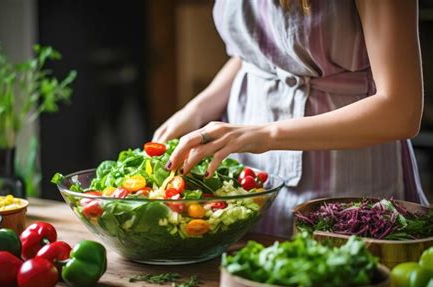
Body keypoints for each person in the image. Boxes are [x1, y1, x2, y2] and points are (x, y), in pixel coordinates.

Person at [152, 0, 428, 237]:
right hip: (250, 162)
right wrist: (197, 109)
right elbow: (260, 51)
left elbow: (401, 111)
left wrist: (265, 135)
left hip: (344, 172)